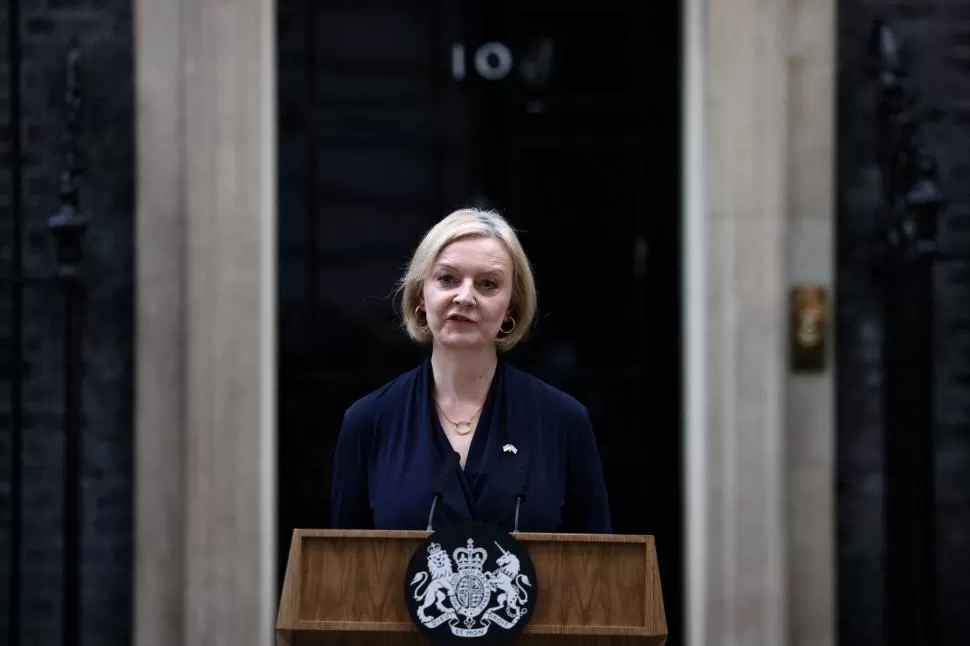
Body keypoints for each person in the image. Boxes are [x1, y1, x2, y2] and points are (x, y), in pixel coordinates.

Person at [330, 208, 612, 533]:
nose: (465, 297)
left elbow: (598, 569)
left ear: (511, 308)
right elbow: (344, 570)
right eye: (447, 278)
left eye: (487, 284)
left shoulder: (563, 420)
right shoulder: (369, 420)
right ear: (422, 294)